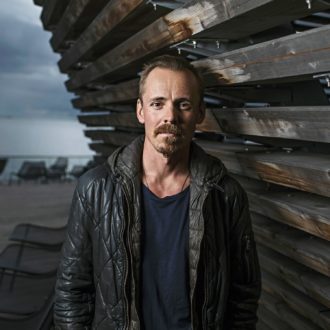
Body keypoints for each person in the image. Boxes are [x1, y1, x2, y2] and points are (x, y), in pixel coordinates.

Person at [54, 55, 261, 330]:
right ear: (141, 111)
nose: (170, 116)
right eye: (157, 103)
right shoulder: (94, 189)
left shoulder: (226, 195)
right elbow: (72, 292)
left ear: (199, 113)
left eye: (183, 105)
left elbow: (243, 297)